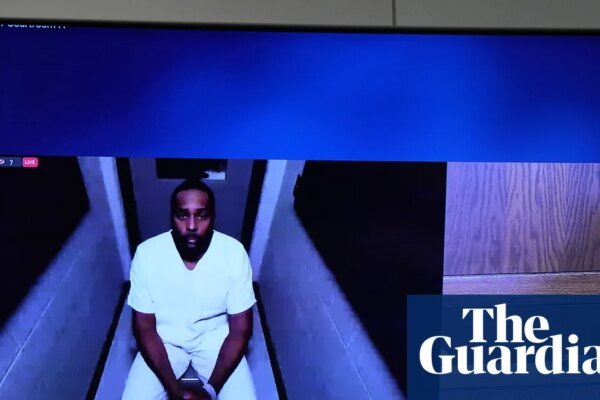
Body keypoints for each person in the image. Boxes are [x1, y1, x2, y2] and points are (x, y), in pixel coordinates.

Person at [121, 179, 257, 400]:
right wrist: (176, 392)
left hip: (216, 339)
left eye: (201, 216)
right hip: (164, 339)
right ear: (171, 217)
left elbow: (241, 329)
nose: (192, 225)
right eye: (182, 215)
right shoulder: (147, 254)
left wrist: (209, 390)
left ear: (213, 217)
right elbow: (144, 329)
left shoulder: (233, 253)